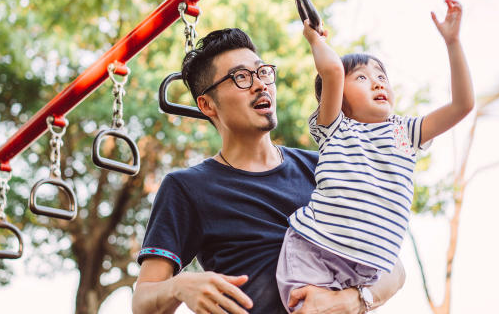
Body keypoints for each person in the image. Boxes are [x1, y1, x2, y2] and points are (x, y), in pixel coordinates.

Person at [132, 28, 408, 314]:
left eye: (263, 72)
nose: (260, 85)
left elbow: (394, 267)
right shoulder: (186, 188)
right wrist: (181, 285)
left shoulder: (325, 165)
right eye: (241, 77)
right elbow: (142, 302)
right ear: (207, 104)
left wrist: (350, 300)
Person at [276, 0, 474, 312]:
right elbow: (331, 71)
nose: (378, 82)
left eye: (381, 76)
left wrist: (453, 43)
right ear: (338, 96)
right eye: (362, 77)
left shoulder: (404, 132)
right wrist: (316, 39)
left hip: (367, 269)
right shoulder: (335, 127)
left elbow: (462, 105)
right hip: (314, 248)